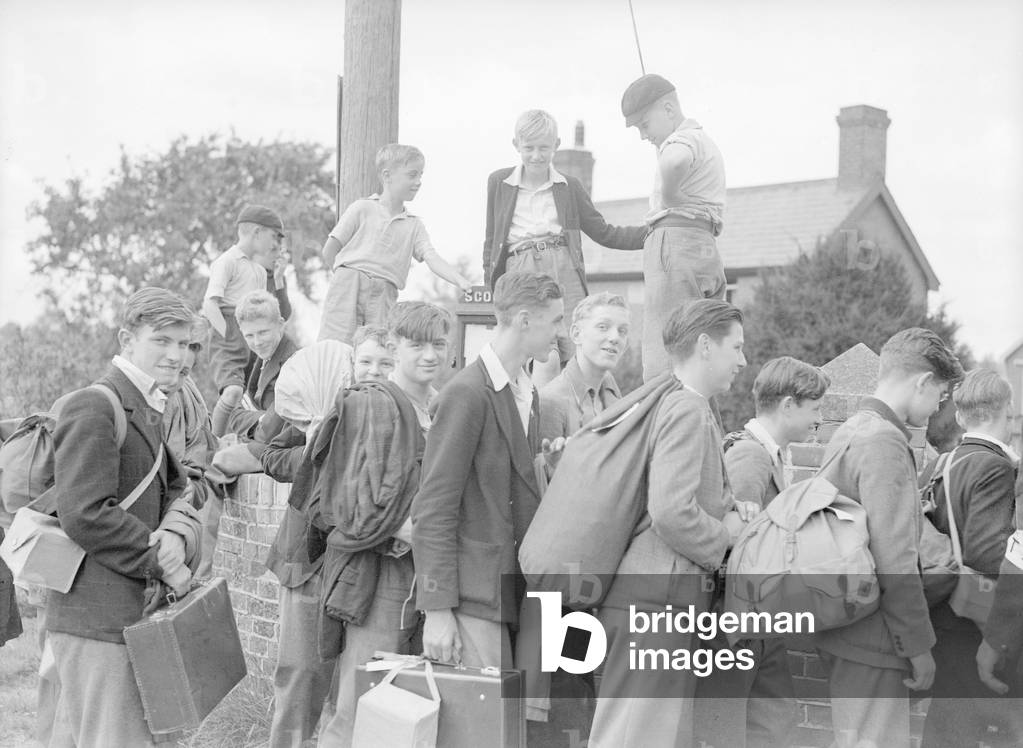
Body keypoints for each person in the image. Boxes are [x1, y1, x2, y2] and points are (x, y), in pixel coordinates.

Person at [589, 298, 752, 748]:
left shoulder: (681, 403)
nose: (743, 360)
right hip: (657, 605)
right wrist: (727, 540)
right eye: (735, 347)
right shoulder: (686, 409)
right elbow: (670, 510)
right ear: (704, 346)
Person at [45, 287, 203, 746]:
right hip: (98, 617)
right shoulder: (95, 404)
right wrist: (165, 560)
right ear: (126, 339)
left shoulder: (149, 402)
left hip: (122, 616)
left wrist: (175, 532)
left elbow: (176, 486)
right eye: (162, 340)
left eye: (184, 343)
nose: (176, 355)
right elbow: (86, 514)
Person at [813, 327, 963, 748]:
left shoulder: (854, 428)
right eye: (941, 394)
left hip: (848, 630)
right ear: (921, 382)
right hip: (875, 639)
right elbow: (897, 561)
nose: (937, 407)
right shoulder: (885, 440)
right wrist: (918, 648)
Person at [412, 272, 563, 678]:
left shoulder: (527, 391)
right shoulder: (465, 393)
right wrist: (437, 610)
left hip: (515, 594)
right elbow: (433, 509)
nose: (560, 334)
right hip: (474, 597)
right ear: (525, 320)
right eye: (555, 321)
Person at [319, 301, 454, 746]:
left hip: (428, 574)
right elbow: (350, 500)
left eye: (438, 344)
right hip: (382, 573)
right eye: (417, 345)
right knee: (362, 700)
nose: (429, 355)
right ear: (395, 347)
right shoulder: (375, 401)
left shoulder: (440, 407)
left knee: (407, 709)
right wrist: (412, 531)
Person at [698, 356, 830, 748]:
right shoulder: (750, 455)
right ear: (787, 405)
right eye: (815, 407)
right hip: (736, 624)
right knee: (724, 730)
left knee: (772, 725)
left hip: (758, 621)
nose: (820, 418)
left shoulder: (770, 454)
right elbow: (734, 544)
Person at [484, 110, 646, 384]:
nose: (536, 155)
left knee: (572, 345)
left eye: (544, 148)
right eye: (529, 148)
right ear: (516, 146)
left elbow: (603, 232)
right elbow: (491, 241)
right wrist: (493, 286)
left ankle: (575, 411)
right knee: (522, 345)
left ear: (556, 145)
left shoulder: (568, 187)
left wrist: (652, 232)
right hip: (519, 269)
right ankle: (522, 412)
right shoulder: (499, 182)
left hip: (561, 265)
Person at [922, 368, 1020, 748]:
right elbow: (986, 551)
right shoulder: (996, 467)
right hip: (982, 623)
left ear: (961, 415)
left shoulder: (941, 464)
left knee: (947, 729)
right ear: (1006, 410)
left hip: (945, 613)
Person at [619, 74, 727, 383]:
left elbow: (674, 161)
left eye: (644, 124)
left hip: (674, 241)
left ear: (668, 109)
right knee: (699, 354)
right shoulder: (703, 139)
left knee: (665, 354)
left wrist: (671, 196)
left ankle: (666, 427)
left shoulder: (681, 141)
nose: (643, 135)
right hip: (704, 243)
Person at [318, 144, 472, 344]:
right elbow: (330, 249)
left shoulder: (413, 225)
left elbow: (431, 257)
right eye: (412, 175)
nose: (418, 182)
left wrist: (459, 280)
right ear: (387, 175)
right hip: (348, 284)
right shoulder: (362, 208)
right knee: (335, 345)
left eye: (420, 176)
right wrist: (344, 278)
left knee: (376, 348)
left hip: (384, 292)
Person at [204, 204, 292, 436]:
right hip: (231, 336)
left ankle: (248, 440)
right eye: (273, 236)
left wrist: (280, 280)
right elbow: (210, 305)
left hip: (252, 338)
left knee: (254, 395)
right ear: (256, 232)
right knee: (232, 391)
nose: (275, 244)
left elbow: (272, 312)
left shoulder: (260, 271)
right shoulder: (228, 261)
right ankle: (212, 445)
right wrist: (230, 335)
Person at [211, 290, 299, 479]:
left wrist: (259, 420)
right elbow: (235, 414)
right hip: (264, 442)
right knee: (206, 453)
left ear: (281, 325)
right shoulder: (261, 359)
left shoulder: (294, 363)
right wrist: (263, 418)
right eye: (249, 336)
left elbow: (268, 434)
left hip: (282, 451)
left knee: (215, 462)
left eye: (263, 332)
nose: (257, 342)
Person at [539, 291, 630, 443]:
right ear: (576, 334)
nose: (615, 338)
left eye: (623, 331)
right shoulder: (550, 401)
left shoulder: (615, 397)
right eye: (603, 327)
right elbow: (545, 464)